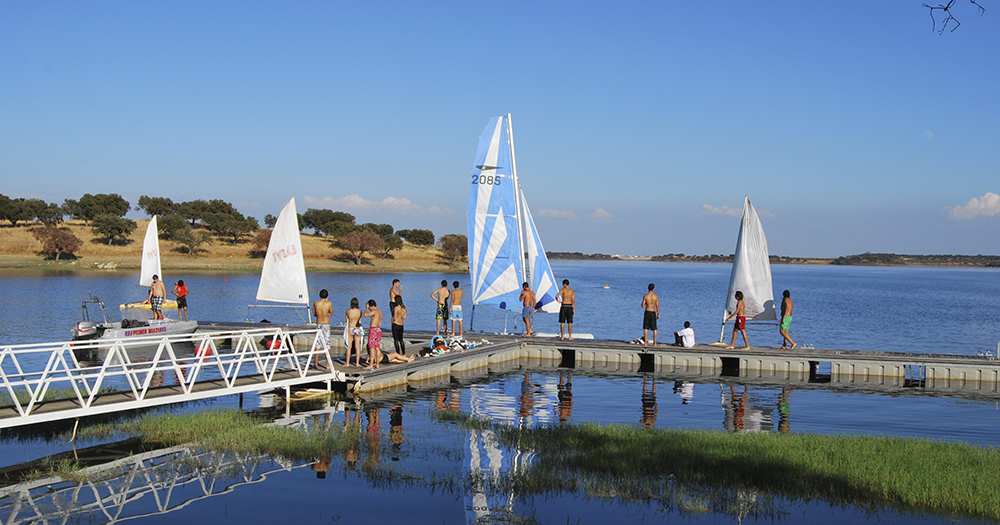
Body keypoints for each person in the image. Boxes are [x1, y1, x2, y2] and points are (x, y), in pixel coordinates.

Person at [313, 289, 333, 370]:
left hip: (319, 323)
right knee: (327, 344)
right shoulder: (329, 303)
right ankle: (328, 364)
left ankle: (316, 363)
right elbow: (331, 313)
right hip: (326, 323)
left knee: (318, 344)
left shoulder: (316, 303)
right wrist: (326, 313)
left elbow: (314, 314)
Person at [363, 299, 383, 370]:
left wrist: (366, 308)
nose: (369, 309)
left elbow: (365, 315)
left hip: (373, 330)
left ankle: (371, 364)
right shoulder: (380, 312)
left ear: (371, 306)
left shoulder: (374, 311)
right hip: (378, 330)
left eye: (369, 308)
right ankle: (377, 364)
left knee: (371, 348)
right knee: (377, 347)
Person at [345, 298, 363, 368]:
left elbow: (346, 320)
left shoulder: (348, 311)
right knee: (357, 347)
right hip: (357, 328)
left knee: (349, 346)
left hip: (351, 328)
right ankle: (357, 363)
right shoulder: (359, 311)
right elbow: (360, 320)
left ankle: (347, 363)